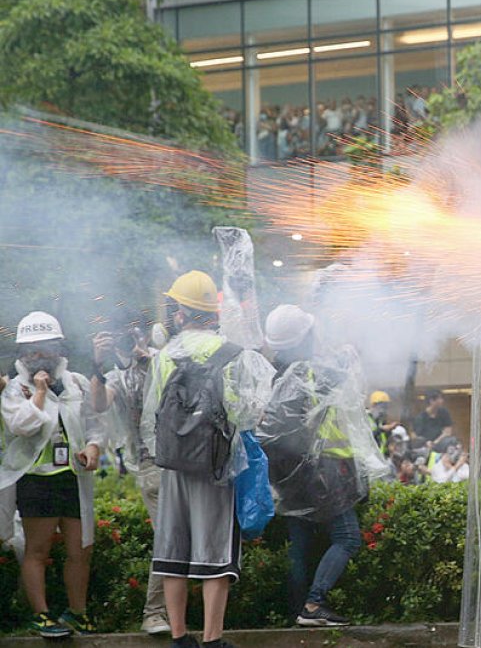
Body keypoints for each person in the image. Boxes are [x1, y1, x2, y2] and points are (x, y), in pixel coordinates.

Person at [141, 271, 275, 648]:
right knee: (215, 552)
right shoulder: (234, 354)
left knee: (173, 548)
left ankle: (181, 637)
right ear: (213, 313)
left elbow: (150, 416)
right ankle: (213, 639)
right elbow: (247, 415)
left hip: (173, 468)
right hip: (218, 468)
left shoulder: (164, 355)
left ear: (180, 313)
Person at [258, 304, 388, 627]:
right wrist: (348, 354)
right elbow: (345, 379)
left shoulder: (276, 375)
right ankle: (314, 605)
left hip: (291, 480)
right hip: (323, 475)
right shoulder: (308, 374)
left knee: (299, 546)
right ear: (303, 338)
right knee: (348, 538)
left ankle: (295, 611)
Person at [0, 312, 104, 638]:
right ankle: (42, 615)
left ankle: (77, 612)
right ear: (21, 353)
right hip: (36, 478)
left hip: (72, 476)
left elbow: (95, 421)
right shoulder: (13, 388)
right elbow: (23, 426)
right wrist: (41, 393)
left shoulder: (75, 382)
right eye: (31, 350)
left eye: (45, 347)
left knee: (81, 549)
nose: (38, 355)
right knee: (38, 549)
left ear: (59, 346)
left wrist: (94, 447)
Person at [90, 309, 170, 635]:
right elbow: (98, 404)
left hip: (184, 462)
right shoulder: (114, 376)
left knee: (183, 538)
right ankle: (155, 613)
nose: (128, 342)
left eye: (132, 334)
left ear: (144, 336)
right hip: (151, 466)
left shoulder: (163, 362)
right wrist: (96, 363)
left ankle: (169, 612)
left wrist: (150, 361)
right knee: (169, 537)